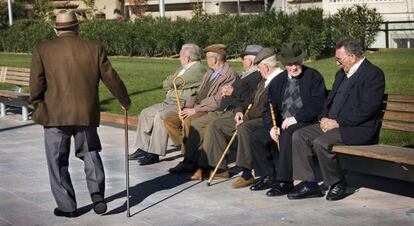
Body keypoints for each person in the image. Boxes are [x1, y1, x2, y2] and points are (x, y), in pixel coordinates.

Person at [29, 11, 131, 217]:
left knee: (57, 161)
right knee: (90, 153)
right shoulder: (94, 48)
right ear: (77, 28)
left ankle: (68, 207)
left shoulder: (42, 49)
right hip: (85, 114)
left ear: (55, 29)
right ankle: (97, 196)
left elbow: (36, 85)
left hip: (54, 115)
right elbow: (112, 78)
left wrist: (37, 108)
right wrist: (124, 101)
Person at [288, 38, 385, 201]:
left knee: (321, 142)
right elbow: (329, 101)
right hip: (333, 124)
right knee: (299, 136)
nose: (337, 63)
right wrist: (324, 117)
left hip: (358, 129)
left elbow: (367, 109)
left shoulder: (373, 74)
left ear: (352, 57)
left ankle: (338, 182)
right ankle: (310, 185)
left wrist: (337, 122)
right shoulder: (341, 74)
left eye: (339, 59)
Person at [168, 45, 264, 180]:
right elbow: (200, 93)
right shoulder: (244, 74)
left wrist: (232, 92)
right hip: (225, 109)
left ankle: (206, 166)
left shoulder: (254, 76)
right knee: (195, 124)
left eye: (244, 59)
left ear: (251, 61)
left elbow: (249, 99)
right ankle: (189, 161)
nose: (243, 61)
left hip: (228, 111)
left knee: (208, 125)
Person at [249, 42, 327, 196]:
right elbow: (268, 108)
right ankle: (268, 175)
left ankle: (285, 182)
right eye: (289, 64)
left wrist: (296, 118)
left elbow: (317, 105)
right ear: (284, 65)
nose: (293, 67)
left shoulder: (314, 76)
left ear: (302, 61)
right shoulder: (278, 81)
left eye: (296, 63)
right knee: (256, 136)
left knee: (288, 134)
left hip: (307, 122)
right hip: (283, 123)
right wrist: (272, 126)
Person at [203, 48, 284, 188]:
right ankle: (220, 168)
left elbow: (265, 108)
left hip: (269, 119)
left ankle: (246, 172)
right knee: (218, 124)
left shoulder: (278, 79)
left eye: (259, 67)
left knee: (244, 127)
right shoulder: (264, 79)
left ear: (265, 66)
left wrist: (246, 116)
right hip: (252, 115)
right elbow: (251, 99)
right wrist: (240, 110)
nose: (258, 71)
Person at [165, 44, 238, 172]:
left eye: (208, 57)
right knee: (170, 120)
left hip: (208, 109)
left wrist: (195, 110)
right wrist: (187, 105)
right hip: (197, 106)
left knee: (189, 122)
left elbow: (217, 100)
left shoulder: (229, 75)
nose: (206, 60)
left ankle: (189, 160)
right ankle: (190, 149)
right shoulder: (210, 73)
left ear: (214, 59)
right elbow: (198, 92)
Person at [129, 44, 206, 165]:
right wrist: (171, 81)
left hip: (181, 103)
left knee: (161, 116)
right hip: (169, 101)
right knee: (146, 113)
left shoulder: (198, 69)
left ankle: (154, 153)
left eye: (180, 55)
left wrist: (172, 81)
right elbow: (167, 82)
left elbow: (175, 81)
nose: (179, 58)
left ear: (188, 58)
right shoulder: (183, 68)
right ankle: (143, 148)